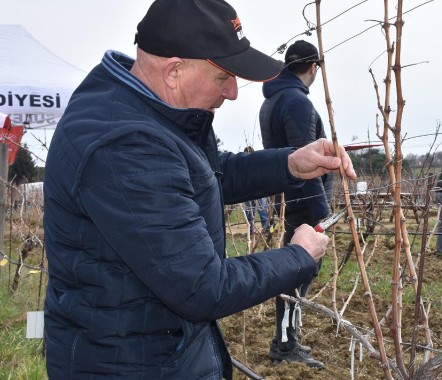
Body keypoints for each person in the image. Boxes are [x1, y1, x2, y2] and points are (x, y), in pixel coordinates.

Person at [42, 1, 356, 379]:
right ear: (174, 71)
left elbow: (206, 174)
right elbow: (203, 287)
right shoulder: (124, 145)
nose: (233, 93)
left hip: (157, 347)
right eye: (223, 77)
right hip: (132, 364)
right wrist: (299, 256)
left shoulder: (150, 112)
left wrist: (290, 163)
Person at [259, 40, 333, 368]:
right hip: (306, 203)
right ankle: (285, 344)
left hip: (291, 199)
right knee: (300, 271)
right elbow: (307, 163)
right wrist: (321, 213)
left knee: (295, 272)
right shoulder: (296, 102)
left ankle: (285, 340)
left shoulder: (273, 101)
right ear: (313, 67)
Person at [242, 146, 271, 235]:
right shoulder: (243, 165)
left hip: (258, 192)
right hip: (247, 192)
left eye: (249, 152)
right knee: (249, 213)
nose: (247, 154)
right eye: (246, 152)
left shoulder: (257, 164)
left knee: (262, 211)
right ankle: (251, 231)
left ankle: (267, 230)